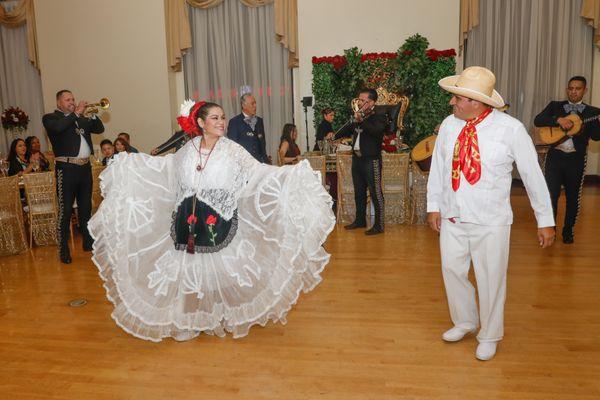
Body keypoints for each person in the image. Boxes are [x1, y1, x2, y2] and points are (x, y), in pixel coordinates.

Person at [88, 100, 335, 342]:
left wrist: (292, 176)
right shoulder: (189, 148)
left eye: (223, 117)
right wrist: (131, 163)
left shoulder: (232, 149)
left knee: (219, 271)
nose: (221, 122)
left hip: (218, 218)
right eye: (215, 118)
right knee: (188, 272)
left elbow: (258, 171)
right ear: (201, 122)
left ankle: (217, 315)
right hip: (187, 219)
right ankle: (189, 322)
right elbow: (165, 168)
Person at [427, 66, 555, 361]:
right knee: (452, 271)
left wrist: (545, 220)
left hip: (491, 220)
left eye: (457, 98)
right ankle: (465, 321)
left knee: (490, 277)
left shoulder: (510, 129)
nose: (452, 103)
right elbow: (439, 168)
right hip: (453, 215)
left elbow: (532, 175)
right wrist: (434, 205)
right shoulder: (449, 125)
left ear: (476, 101)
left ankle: (489, 334)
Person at [533, 76, 600, 244]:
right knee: (550, 195)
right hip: (554, 157)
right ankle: (551, 230)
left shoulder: (592, 112)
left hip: (576, 160)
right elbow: (538, 120)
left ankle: (568, 231)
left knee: (573, 197)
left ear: (585, 90)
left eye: (577, 89)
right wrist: (558, 120)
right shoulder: (555, 106)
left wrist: (589, 126)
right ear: (567, 89)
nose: (573, 91)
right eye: (571, 88)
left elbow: (597, 137)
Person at [42, 89, 105, 264]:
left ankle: (87, 242)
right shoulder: (50, 118)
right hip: (66, 169)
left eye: (73, 99)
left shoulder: (79, 119)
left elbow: (100, 129)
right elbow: (59, 128)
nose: (72, 101)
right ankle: (63, 250)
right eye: (68, 99)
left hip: (84, 168)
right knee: (66, 210)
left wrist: (91, 115)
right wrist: (76, 113)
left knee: (85, 208)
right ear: (59, 103)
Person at [335, 88, 387, 235]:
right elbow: (347, 129)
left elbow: (376, 131)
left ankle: (379, 225)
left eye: (363, 101)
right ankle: (360, 220)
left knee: (375, 192)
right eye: (359, 100)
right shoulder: (358, 116)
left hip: (371, 159)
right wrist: (334, 135)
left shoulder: (380, 116)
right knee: (359, 192)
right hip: (357, 159)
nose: (360, 103)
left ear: (372, 102)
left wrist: (361, 121)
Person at [227, 93, 268, 163]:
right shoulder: (234, 122)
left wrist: (265, 160)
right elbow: (232, 145)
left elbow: (262, 143)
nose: (255, 106)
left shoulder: (259, 121)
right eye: (252, 104)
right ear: (244, 106)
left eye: (255, 103)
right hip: (244, 163)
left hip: (260, 163)